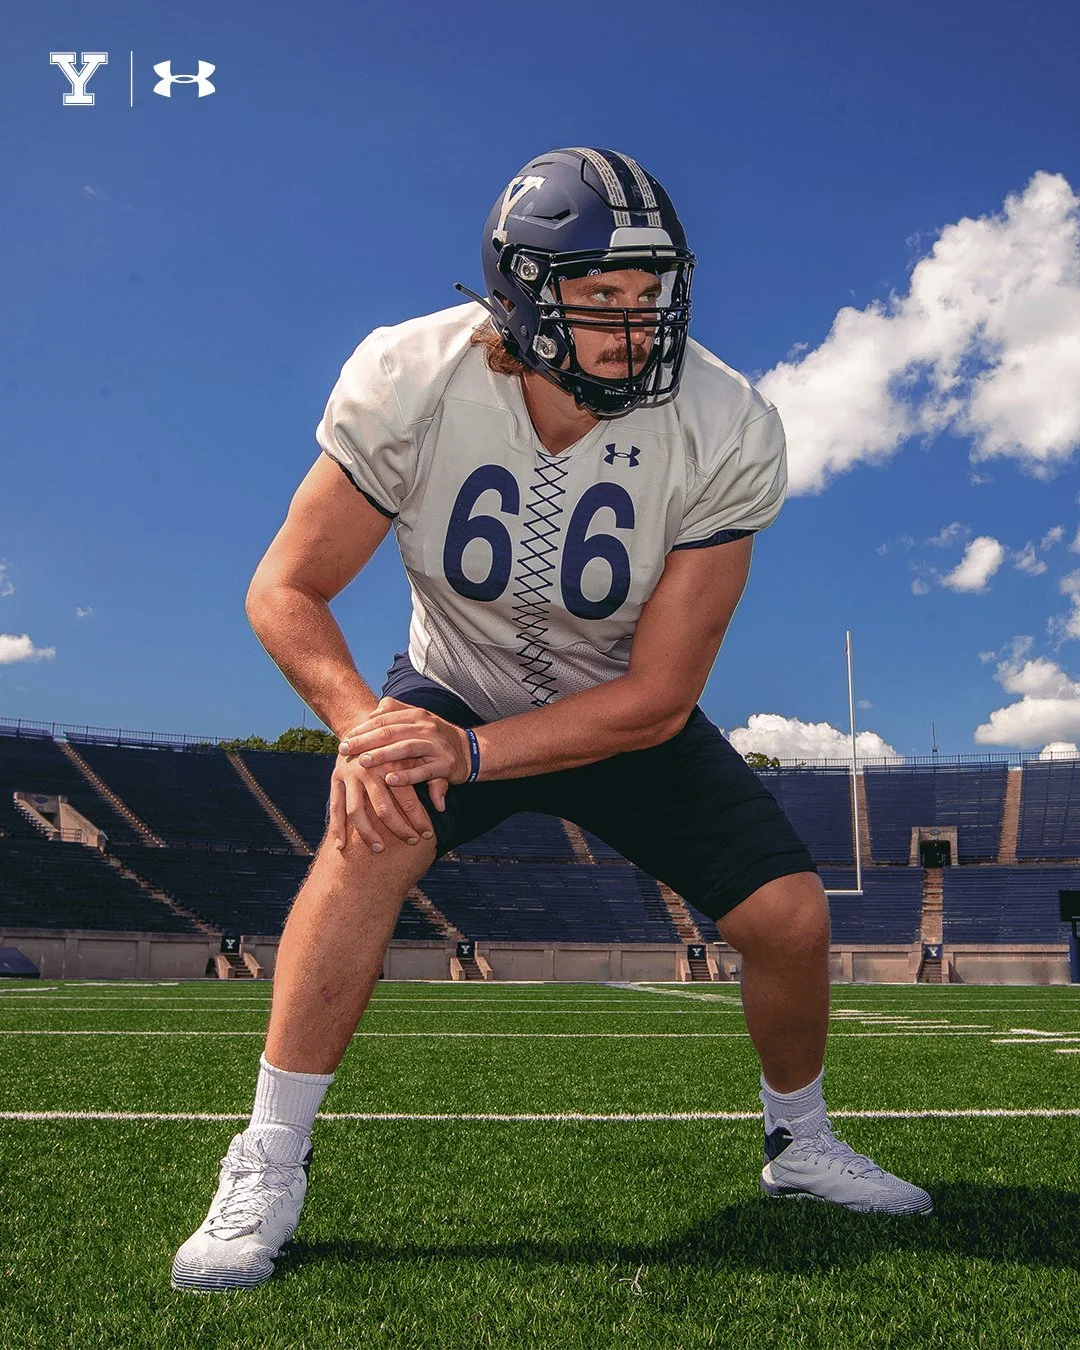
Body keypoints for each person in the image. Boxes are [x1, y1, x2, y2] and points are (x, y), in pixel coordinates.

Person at [171, 147, 931, 1292]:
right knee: (366, 836)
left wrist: (473, 754)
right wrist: (368, 731)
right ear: (525, 299)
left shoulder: (724, 422)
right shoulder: (412, 374)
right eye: (603, 301)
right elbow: (285, 588)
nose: (639, 325)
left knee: (787, 916)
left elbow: (661, 695)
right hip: (452, 684)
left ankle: (800, 1141)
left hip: (617, 710)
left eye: (653, 294)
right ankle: (268, 1155)